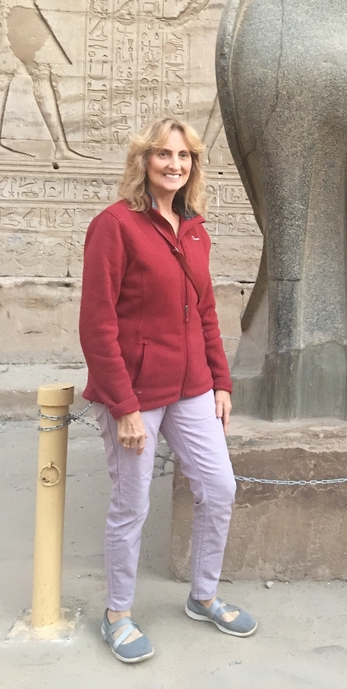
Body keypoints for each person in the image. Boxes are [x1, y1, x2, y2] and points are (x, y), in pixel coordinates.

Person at [79, 117, 256, 664]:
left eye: (184, 157)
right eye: (163, 155)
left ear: (193, 166)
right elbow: (97, 324)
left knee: (219, 488)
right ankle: (117, 614)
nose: (174, 164)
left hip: (192, 389)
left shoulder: (195, 229)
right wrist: (124, 406)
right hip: (136, 394)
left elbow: (205, 311)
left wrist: (220, 381)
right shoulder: (115, 226)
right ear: (144, 160)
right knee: (131, 504)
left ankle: (203, 595)